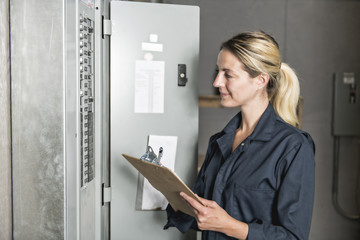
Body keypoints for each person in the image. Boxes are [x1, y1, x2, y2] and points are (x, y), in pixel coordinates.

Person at [164, 31, 315, 240]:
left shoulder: (293, 146)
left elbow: (293, 236)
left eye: (228, 74)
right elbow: (201, 217)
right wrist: (175, 197)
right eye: (218, 72)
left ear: (260, 80)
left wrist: (230, 226)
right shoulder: (219, 141)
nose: (217, 82)